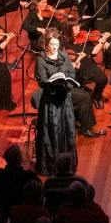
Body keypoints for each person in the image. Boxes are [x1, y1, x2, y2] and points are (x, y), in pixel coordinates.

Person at [34, 29, 87, 173]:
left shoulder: (63, 55)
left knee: (67, 130)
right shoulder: (41, 59)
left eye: (57, 44)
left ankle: (67, 165)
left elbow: (71, 72)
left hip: (64, 97)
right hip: (51, 101)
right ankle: (52, 166)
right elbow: (42, 81)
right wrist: (53, 82)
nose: (55, 47)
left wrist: (67, 83)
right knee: (52, 131)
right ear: (46, 45)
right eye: (52, 44)